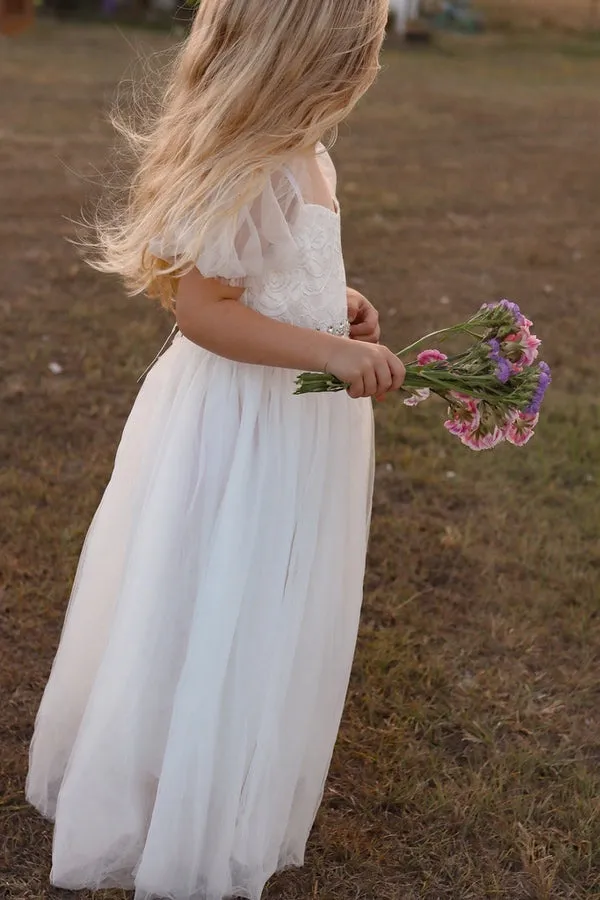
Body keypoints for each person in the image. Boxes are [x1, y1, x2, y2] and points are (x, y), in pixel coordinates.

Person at [26, 1, 406, 898]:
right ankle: (167, 779)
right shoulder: (254, 162)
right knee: (211, 584)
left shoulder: (309, 154)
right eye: (359, 49)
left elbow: (275, 278)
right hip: (240, 424)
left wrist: (336, 305)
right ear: (310, 52)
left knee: (261, 596)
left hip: (295, 423)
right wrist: (330, 351)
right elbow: (204, 313)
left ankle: (219, 760)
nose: (366, 66)